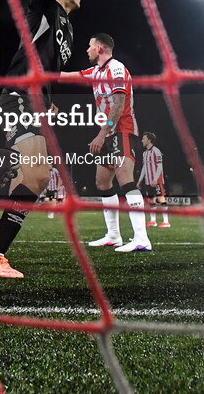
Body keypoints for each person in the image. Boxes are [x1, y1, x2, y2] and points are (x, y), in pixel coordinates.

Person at [0, 0, 107, 279]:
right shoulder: (42, 10)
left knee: (32, 181)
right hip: (16, 98)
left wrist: (49, 97)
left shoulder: (68, 28)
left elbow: (45, 66)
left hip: (34, 102)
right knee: (38, 174)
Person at [63, 33, 150, 252]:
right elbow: (67, 76)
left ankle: (141, 238)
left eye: (90, 46)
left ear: (100, 48)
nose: (87, 50)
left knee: (125, 180)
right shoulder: (95, 72)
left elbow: (119, 104)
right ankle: (113, 235)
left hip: (123, 130)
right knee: (102, 182)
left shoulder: (117, 68)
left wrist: (102, 133)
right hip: (109, 133)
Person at [139, 132, 170, 228]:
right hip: (148, 181)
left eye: (144, 138)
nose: (142, 140)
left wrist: (155, 179)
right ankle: (153, 221)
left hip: (157, 181)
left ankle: (166, 222)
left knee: (161, 199)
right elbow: (144, 168)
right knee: (151, 200)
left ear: (149, 140)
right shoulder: (145, 153)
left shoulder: (156, 151)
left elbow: (160, 167)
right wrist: (140, 181)